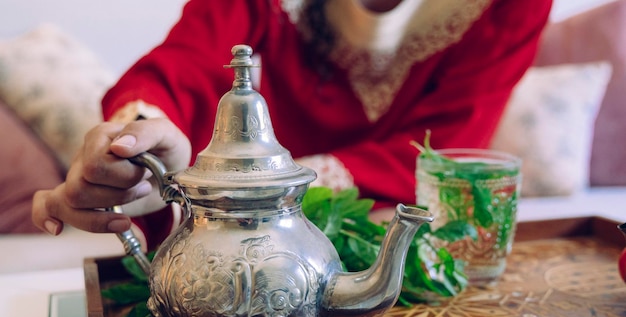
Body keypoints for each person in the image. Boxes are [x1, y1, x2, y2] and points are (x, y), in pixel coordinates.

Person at [32, 0, 553, 250]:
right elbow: (186, 61)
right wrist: (137, 140)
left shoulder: (507, 8)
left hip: (378, 236)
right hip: (236, 234)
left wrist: (263, 186)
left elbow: (442, 149)